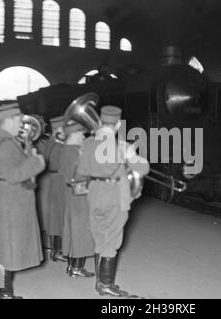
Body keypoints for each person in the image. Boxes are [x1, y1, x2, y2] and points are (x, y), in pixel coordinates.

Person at [77, 106, 150, 297]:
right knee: (112, 240)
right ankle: (106, 285)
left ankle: (100, 281)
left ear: (100, 123)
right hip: (115, 196)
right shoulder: (120, 146)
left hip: (95, 194)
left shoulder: (88, 144)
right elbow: (143, 169)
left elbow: (81, 172)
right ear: (118, 124)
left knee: (100, 238)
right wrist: (132, 157)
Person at [0, 102, 46, 299]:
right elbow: (12, 174)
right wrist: (37, 163)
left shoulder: (0, 139)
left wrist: (27, 146)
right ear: (7, 120)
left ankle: (1, 291)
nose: (21, 123)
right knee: (5, 249)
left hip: (4, 197)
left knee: (0, 248)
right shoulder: (6, 144)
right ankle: (4, 293)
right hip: (10, 200)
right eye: (18, 119)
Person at [60, 119, 95, 278]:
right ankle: (76, 268)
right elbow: (78, 174)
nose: (83, 135)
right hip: (79, 195)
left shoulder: (70, 149)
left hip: (75, 194)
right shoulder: (72, 151)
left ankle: (73, 266)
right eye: (81, 132)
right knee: (80, 231)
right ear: (74, 134)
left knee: (76, 231)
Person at [38, 116, 67, 262]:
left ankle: (56, 249)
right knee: (58, 216)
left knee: (54, 216)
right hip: (58, 181)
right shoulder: (58, 143)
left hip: (53, 180)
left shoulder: (51, 141)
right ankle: (57, 251)